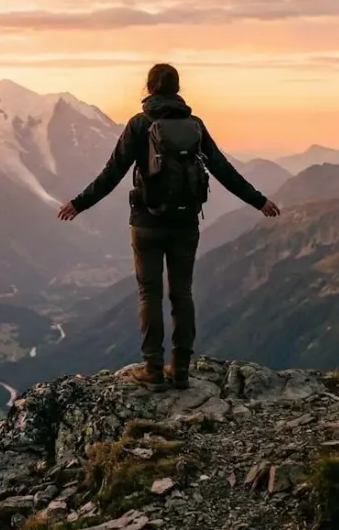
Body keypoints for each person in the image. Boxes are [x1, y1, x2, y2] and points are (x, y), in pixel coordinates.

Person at [57, 63, 281, 392]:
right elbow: (223, 169)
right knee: (182, 293)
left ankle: (152, 369)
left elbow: (112, 173)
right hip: (186, 222)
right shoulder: (195, 126)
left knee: (150, 294)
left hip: (146, 223)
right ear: (177, 90)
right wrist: (259, 201)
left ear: (148, 89)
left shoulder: (140, 124)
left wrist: (79, 204)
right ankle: (180, 370)